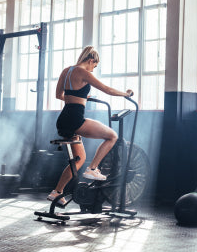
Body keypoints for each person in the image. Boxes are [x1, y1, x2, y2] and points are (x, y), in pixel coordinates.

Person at [47, 46, 133, 205]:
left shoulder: (66, 71)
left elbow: (59, 95)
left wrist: (81, 96)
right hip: (75, 119)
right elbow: (107, 89)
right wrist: (126, 94)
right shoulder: (83, 73)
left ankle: (56, 191)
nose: (93, 70)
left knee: (79, 159)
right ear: (91, 60)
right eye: (95, 65)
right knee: (112, 136)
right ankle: (93, 169)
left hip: (63, 119)